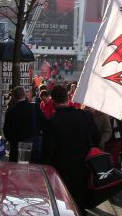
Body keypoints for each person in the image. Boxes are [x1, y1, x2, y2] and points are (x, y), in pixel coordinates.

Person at [42, 84, 100, 214]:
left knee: (63, 209)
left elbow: (47, 153)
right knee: (79, 207)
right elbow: (97, 138)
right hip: (83, 169)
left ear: (53, 100)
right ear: (67, 98)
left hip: (61, 174)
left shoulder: (52, 122)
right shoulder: (85, 116)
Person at [3, 86, 47, 163]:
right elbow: (44, 124)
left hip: (16, 149)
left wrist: (13, 142)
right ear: (24, 94)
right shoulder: (35, 107)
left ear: (14, 97)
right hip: (33, 148)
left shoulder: (10, 112)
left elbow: (6, 132)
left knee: (17, 172)